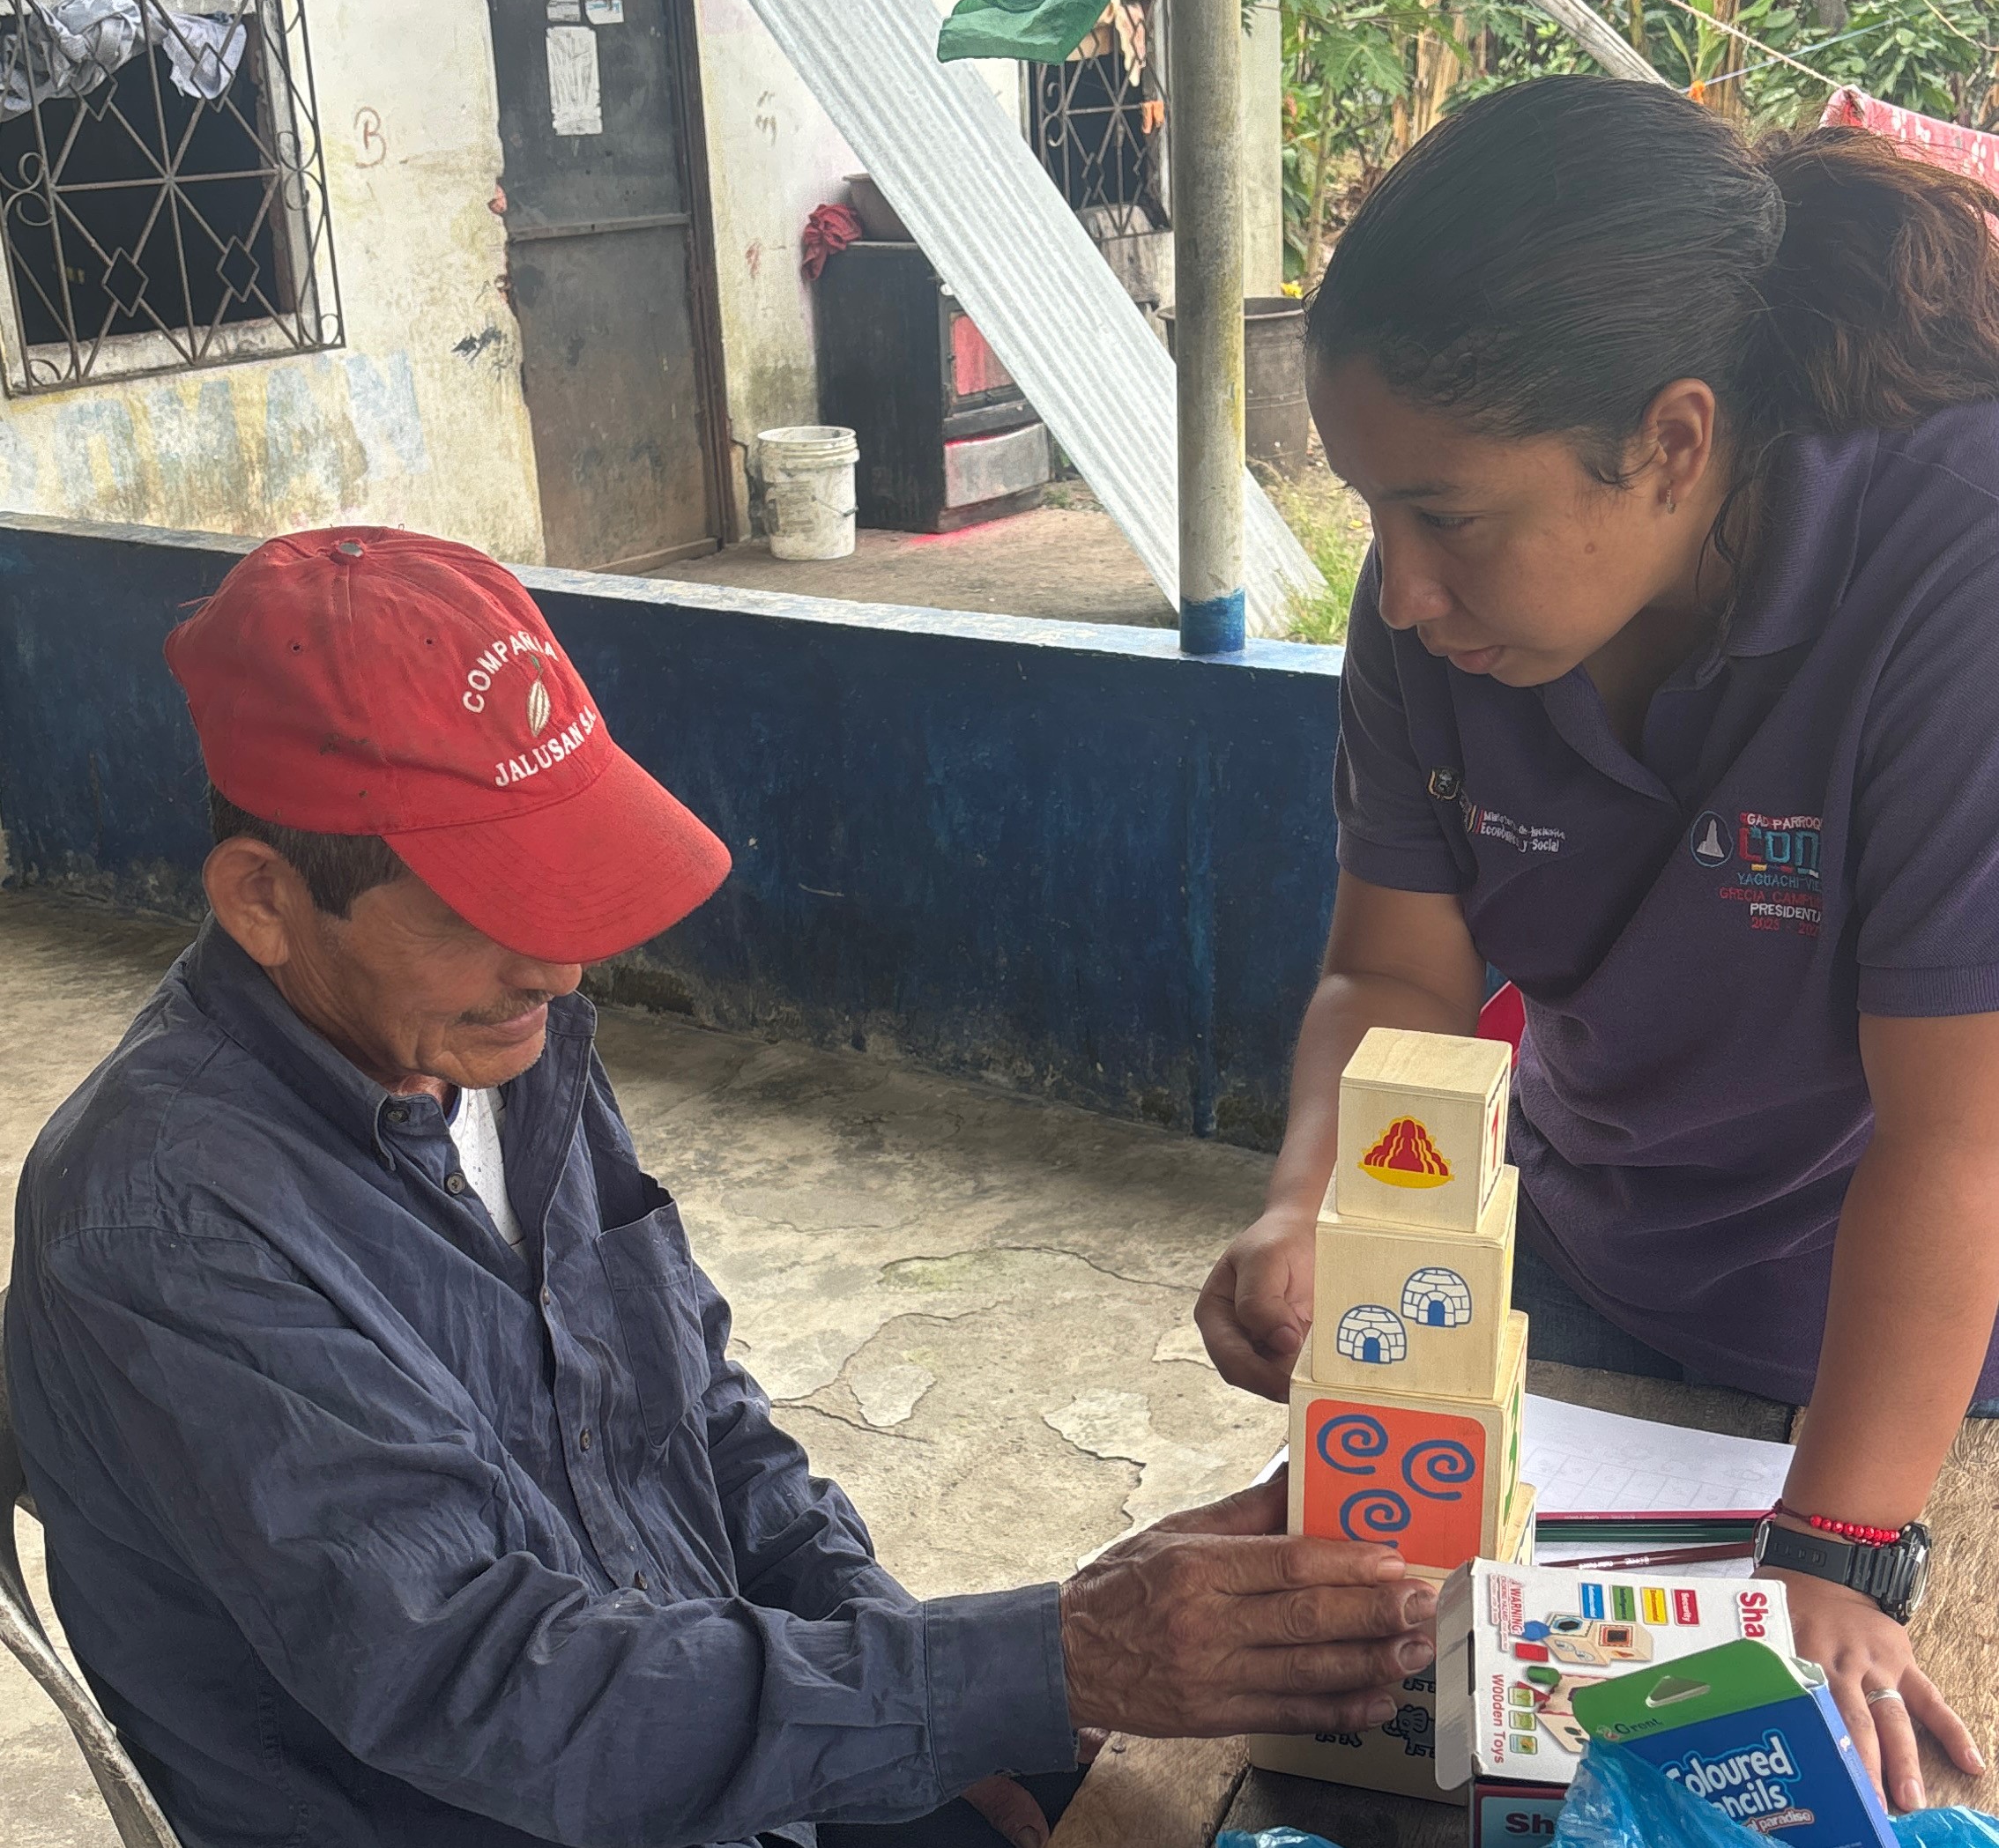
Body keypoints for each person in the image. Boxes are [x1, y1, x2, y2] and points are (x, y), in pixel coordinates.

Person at [5, 528, 1437, 1848]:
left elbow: (697, 1415)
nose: (561, 965)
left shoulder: (503, 1043)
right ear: (264, 899)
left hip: (717, 1747)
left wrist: (935, 1697)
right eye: (483, 905)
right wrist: (1043, 1659)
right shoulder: (162, 1222)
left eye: (558, 882)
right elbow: (488, 1686)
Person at [1196, 78, 1999, 1815]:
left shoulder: (1956, 556)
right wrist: (1312, 1198)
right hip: (1587, 1270)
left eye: (1448, 515)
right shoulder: (1436, 612)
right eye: (1373, 509)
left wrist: (1844, 1541)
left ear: (1676, 443)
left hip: (1900, 1345)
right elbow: (1395, 975)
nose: (1397, 586)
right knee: (1429, 1744)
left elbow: (1957, 1131)